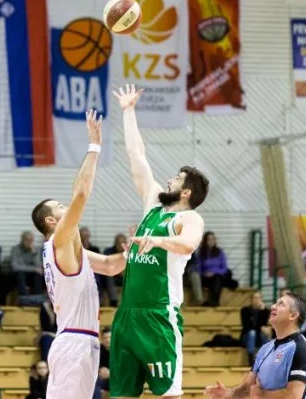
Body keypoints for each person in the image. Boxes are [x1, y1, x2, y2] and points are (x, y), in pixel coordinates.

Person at [109, 85, 208, 399]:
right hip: (127, 314)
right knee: (121, 395)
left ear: (186, 192)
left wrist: (159, 241)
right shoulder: (153, 205)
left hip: (158, 316)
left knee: (168, 396)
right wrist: (128, 111)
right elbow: (137, 156)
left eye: (176, 179)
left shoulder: (189, 218)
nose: (169, 179)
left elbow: (188, 244)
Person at [30, 109, 128, 399]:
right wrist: (94, 146)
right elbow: (81, 194)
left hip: (83, 341)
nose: (67, 207)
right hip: (74, 341)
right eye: (61, 207)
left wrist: (135, 251)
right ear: (51, 221)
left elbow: (109, 266)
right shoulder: (60, 239)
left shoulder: (71, 249)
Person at [205, 292, 306, 399]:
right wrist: (228, 394)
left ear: (293, 315)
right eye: (275, 303)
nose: (273, 306)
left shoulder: (300, 349)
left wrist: (262, 395)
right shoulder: (265, 348)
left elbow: (294, 396)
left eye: (281, 304)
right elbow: (248, 389)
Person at [240, 291, 271, 366]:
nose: (257, 300)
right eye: (255, 298)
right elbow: (247, 326)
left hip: (259, 337)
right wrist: (260, 327)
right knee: (252, 333)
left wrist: (261, 311)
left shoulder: (265, 311)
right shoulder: (245, 310)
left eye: (259, 298)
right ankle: (251, 361)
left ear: (262, 299)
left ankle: (265, 360)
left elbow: (264, 326)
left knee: (265, 334)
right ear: (251, 299)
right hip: (247, 337)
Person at [198, 231, 229, 306]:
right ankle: (208, 302)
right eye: (209, 239)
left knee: (217, 278)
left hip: (217, 277)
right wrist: (204, 274)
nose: (211, 241)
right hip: (206, 277)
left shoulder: (220, 252)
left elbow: (224, 268)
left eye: (213, 239)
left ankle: (215, 301)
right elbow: (198, 268)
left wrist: (215, 273)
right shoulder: (201, 252)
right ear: (205, 241)